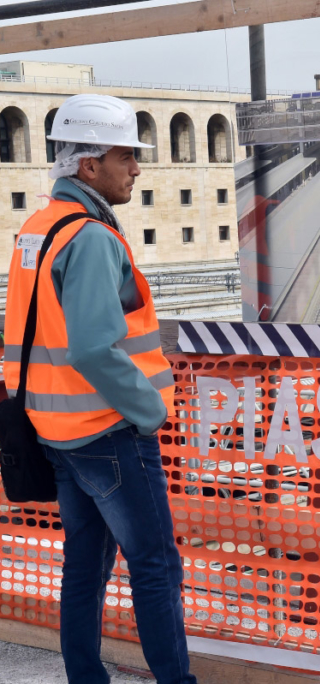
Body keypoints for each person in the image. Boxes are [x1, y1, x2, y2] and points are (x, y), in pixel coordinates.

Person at [4, 94, 197, 684]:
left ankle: (86, 677)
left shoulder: (37, 228)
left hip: (54, 429)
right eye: (124, 156)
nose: (136, 168)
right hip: (107, 431)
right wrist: (149, 411)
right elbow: (92, 346)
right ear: (88, 166)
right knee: (156, 566)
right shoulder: (91, 237)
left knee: (85, 566)